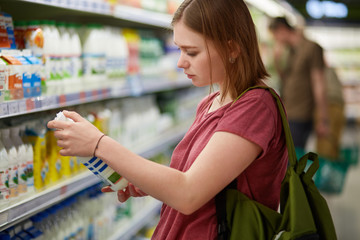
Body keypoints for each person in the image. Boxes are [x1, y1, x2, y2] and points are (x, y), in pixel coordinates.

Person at [47, 0, 288, 239]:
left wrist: (99, 144)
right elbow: (195, 178)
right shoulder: (210, 102)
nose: (180, 62)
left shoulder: (256, 107)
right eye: (179, 49)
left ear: (232, 48)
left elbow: (188, 193)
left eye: (191, 52)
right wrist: (146, 181)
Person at [268, 17, 329, 151]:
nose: (275, 40)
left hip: (301, 113)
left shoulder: (311, 48)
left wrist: (323, 118)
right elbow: (286, 80)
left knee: (294, 158)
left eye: (275, 36)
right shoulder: (290, 52)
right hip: (289, 111)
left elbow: (318, 83)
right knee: (287, 156)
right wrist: (277, 60)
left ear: (282, 30)